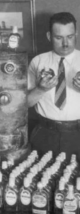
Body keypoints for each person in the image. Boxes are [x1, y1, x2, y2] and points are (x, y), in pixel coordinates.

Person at [28, 12, 80, 157]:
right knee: (39, 176)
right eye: (59, 38)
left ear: (76, 34)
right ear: (49, 36)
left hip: (78, 136)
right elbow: (25, 103)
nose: (65, 43)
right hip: (45, 134)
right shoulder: (37, 62)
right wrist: (40, 89)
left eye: (70, 37)